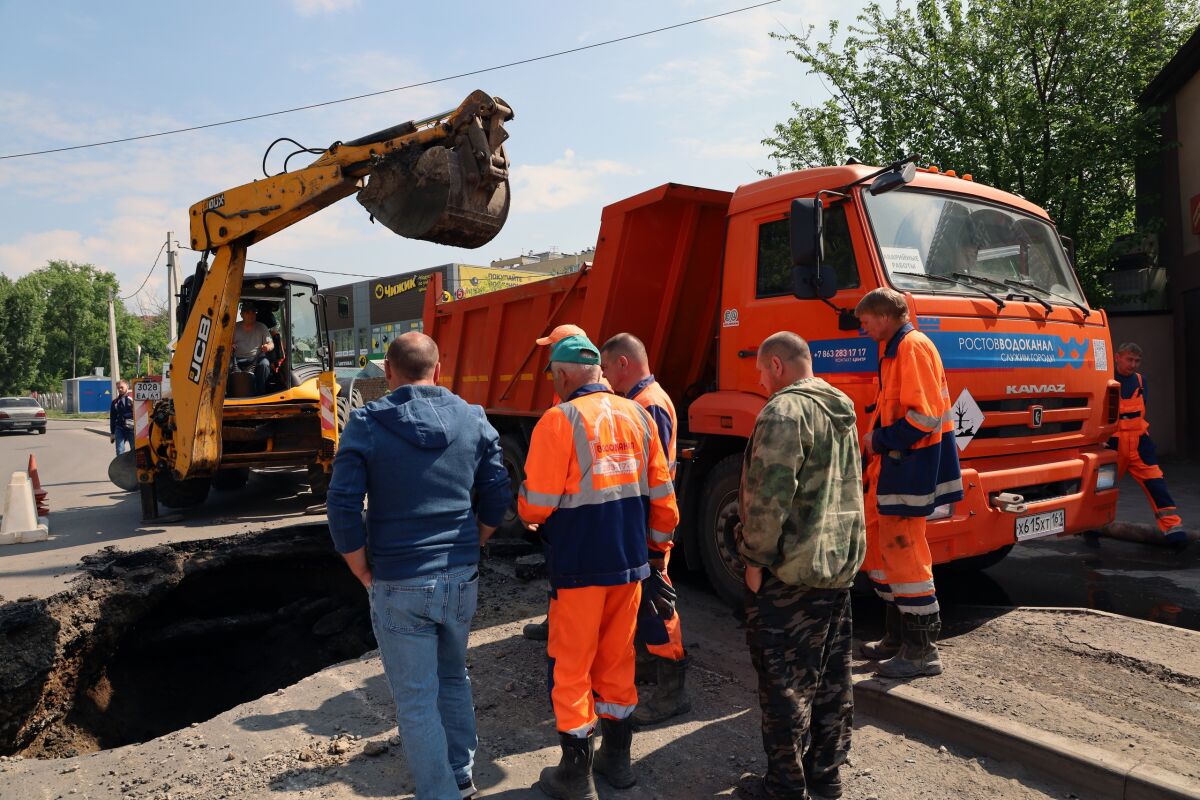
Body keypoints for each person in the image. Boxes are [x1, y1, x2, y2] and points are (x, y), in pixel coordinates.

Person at [326, 331, 511, 800]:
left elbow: (342, 504)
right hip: (460, 575)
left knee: (415, 699)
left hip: (400, 579)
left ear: (387, 372)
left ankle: (441, 792)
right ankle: (461, 775)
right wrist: (477, 541)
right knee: (453, 676)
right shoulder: (473, 418)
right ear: (438, 369)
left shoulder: (368, 422)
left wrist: (359, 567)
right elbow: (497, 494)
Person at [518, 333, 679, 799]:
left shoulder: (559, 419)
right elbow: (664, 500)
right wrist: (654, 556)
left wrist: (526, 508)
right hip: (630, 567)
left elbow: (535, 505)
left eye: (553, 376)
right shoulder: (638, 415)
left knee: (571, 667)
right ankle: (617, 761)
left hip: (579, 567)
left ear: (564, 375)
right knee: (616, 661)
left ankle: (575, 774)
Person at [737, 331, 866, 800]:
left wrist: (753, 560)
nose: (761, 382)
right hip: (836, 566)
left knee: (784, 684)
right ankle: (826, 776)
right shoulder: (842, 406)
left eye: (760, 372)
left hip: (791, 572)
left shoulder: (784, 411)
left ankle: (785, 787)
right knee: (833, 678)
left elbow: (769, 497)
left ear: (776, 364)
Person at [855, 288, 962, 678]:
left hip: (908, 466)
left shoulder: (911, 347)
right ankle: (897, 638)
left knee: (906, 555)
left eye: (865, 322)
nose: (863, 329)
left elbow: (924, 417)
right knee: (886, 553)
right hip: (895, 467)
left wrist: (878, 440)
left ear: (884, 317)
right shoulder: (897, 348)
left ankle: (921, 651)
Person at [599, 332, 690, 726]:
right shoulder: (646, 400)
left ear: (623, 363)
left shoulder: (645, 405)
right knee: (647, 600)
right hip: (650, 522)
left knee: (658, 604)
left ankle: (673, 692)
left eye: (607, 369)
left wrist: (652, 539)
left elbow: (652, 478)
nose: (605, 378)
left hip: (650, 524)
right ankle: (654, 669)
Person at [1109, 342, 1187, 549]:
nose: (1133, 365)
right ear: (1118, 357)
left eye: (1137, 361)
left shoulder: (1141, 381)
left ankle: (1173, 529)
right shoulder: (1106, 380)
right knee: (1103, 489)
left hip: (1140, 443)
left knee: (1156, 484)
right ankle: (1091, 526)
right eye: (1129, 359)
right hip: (1113, 444)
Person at [232, 304, 274, 394]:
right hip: (237, 359)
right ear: (242, 314)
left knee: (265, 364)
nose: (251, 315)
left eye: (253, 313)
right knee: (223, 364)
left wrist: (267, 347)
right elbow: (226, 342)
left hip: (256, 359)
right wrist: (230, 345)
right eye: (248, 313)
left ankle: (260, 394)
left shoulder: (262, 327)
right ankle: (227, 394)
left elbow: (271, 344)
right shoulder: (234, 327)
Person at [109, 380, 134, 455]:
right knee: (119, 450)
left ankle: (134, 466)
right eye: (118, 388)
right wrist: (112, 433)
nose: (119, 389)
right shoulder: (115, 402)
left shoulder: (133, 399)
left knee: (135, 450)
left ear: (127, 386)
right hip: (119, 428)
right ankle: (120, 466)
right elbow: (112, 418)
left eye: (121, 387)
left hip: (132, 428)